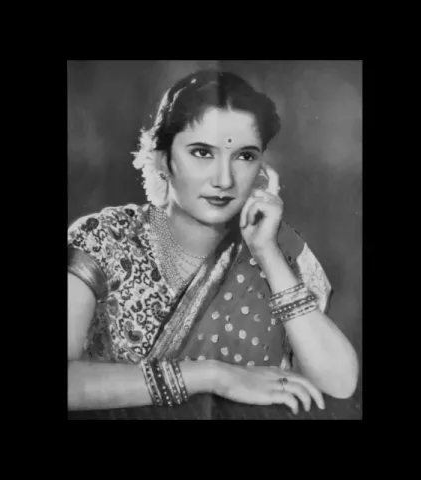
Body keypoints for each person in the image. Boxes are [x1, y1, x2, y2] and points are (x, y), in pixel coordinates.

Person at [67, 69, 359, 414]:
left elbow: (340, 384)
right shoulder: (106, 237)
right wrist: (214, 376)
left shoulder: (277, 247)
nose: (224, 179)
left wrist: (266, 252)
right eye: (202, 152)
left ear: (262, 170)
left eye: (245, 156)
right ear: (162, 159)